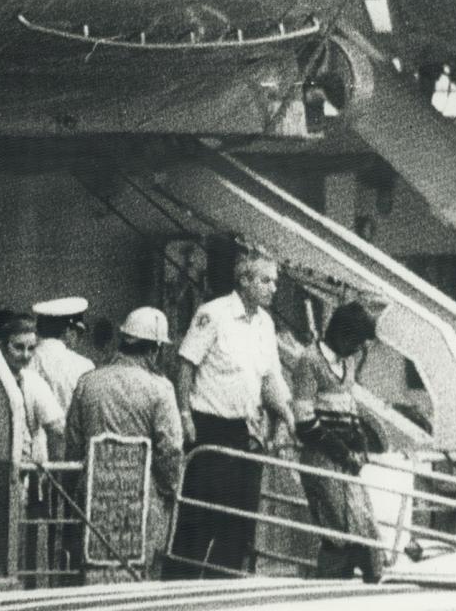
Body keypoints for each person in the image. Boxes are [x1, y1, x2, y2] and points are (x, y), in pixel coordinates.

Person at [166, 243, 296, 578]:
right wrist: (183, 415)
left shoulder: (265, 324)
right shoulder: (214, 314)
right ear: (246, 280)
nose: (274, 288)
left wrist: (286, 415)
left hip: (246, 430)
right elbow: (185, 364)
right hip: (209, 427)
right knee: (199, 519)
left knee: (239, 522)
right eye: (267, 281)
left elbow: (270, 378)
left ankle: (223, 595)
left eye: (274, 281)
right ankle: (179, 592)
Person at [65, 306, 183, 579]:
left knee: (92, 569)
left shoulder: (88, 382)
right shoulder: (160, 389)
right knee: (140, 573)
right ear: (155, 349)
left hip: (95, 495)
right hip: (144, 499)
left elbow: (72, 442)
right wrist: (170, 488)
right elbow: (171, 450)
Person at [291, 301, 385, 583]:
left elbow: (351, 409)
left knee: (362, 526)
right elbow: (305, 423)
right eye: (357, 342)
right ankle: (330, 590)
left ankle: (366, 582)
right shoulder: (310, 362)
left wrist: (360, 447)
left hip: (346, 463)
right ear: (343, 335)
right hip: (322, 458)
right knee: (337, 533)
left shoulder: (348, 362)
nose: (359, 349)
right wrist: (344, 453)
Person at [0, 309, 65, 464]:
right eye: (19, 347)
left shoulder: (34, 382)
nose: (26, 355)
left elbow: (57, 430)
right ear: (2, 346)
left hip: (26, 468)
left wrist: (56, 471)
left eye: (31, 348)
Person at [31, 296, 96, 413]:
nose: (78, 338)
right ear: (68, 330)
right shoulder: (84, 365)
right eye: (78, 331)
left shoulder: (26, 359)